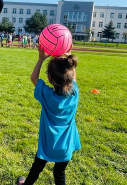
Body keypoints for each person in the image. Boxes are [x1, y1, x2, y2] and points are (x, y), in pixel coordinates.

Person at [17, 47, 81, 185]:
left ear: (50, 78)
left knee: (37, 168)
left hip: (48, 144)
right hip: (66, 145)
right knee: (59, 173)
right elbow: (73, 78)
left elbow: (34, 78)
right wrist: (69, 62)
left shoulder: (47, 95)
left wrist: (41, 59)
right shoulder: (74, 93)